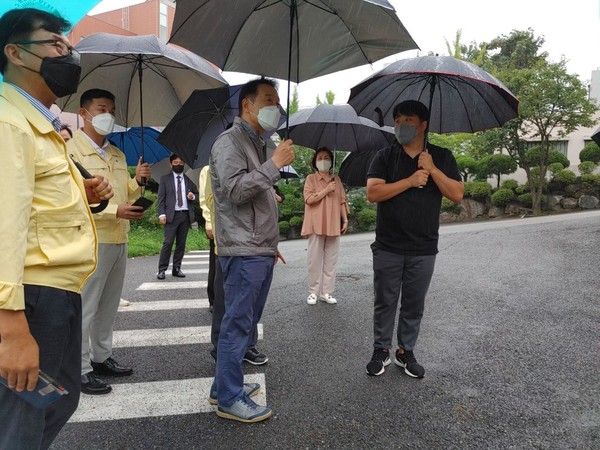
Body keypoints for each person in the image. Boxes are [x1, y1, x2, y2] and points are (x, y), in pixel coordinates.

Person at [0, 8, 113, 449]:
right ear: (16, 53)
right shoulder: (10, 124)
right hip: (31, 298)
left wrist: (83, 193)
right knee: (24, 416)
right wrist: (11, 329)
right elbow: (5, 226)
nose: (69, 54)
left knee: (57, 401)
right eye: (55, 44)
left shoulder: (41, 124)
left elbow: (35, 205)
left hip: (57, 292)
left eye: (69, 44)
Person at [210, 78, 294, 423]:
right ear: (248, 105)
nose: (275, 106)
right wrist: (274, 165)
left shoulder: (259, 143)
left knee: (247, 323)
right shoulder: (230, 141)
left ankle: (222, 386)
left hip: (258, 247)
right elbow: (233, 191)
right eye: (269, 99)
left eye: (276, 100)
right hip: (243, 250)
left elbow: (255, 194)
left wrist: (270, 243)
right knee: (238, 325)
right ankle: (229, 397)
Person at [365, 100, 464, 378]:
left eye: (408, 120)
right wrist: (409, 181)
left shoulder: (441, 156)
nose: (400, 125)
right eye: (397, 120)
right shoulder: (385, 156)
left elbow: (456, 194)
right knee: (384, 300)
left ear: (423, 125)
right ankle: (381, 349)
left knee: (413, 303)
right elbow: (373, 193)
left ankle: (405, 351)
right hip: (388, 245)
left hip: (423, 246)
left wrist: (432, 169)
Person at [68, 88, 151, 395]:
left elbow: (126, 195)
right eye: (102, 108)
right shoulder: (71, 152)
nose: (108, 116)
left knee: (108, 306)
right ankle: (79, 368)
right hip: (92, 241)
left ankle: (101, 357)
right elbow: (76, 200)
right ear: (84, 113)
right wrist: (116, 210)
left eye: (112, 110)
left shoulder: (117, 153)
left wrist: (138, 181)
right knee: (86, 307)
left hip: (119, 239)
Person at [301, 147, 348, 305]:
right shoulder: (310, 179)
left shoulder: (337, 180)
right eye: (320, 157)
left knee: (331, 260)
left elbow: (342, 200)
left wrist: (345, 219)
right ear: (315, 161)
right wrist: (326, 190)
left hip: (333, 223)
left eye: (326, 157)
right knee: (314, 259)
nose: (323, 160)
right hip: (316, 223)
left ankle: (326, 292)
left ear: (331, 161)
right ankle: (313, 292)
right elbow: (308, 199)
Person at [156, 154, 198, 279]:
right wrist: (161, 214)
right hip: (171, 215)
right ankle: (162, 270)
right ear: (170, 164)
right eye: (175, 162)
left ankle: (177, 268)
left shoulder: (189, 178)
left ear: (184, 164)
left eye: (181, 162)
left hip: (185, 214)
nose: (178, 164)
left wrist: (193, 196)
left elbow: (196, 193)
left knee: (181, 244)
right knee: (167, 243)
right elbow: (161, 199)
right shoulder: (164, 179)